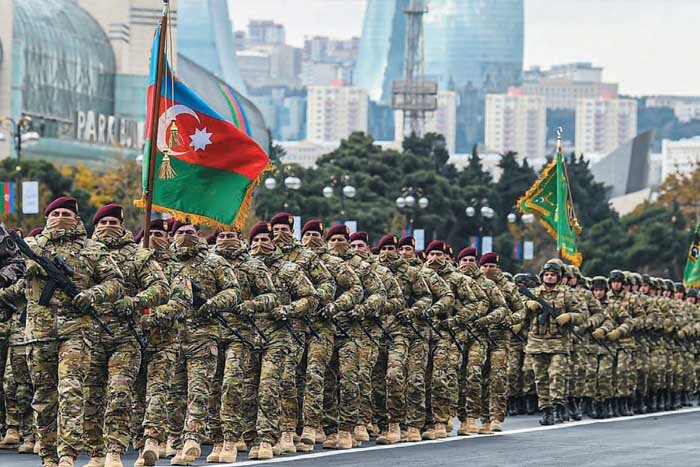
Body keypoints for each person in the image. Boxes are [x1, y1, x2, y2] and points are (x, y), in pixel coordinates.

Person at [23, 197, 123, 467]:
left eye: (66, 214)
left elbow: (115, 282)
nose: (60, 218)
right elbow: (12, 267)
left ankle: (67, 454)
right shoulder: (32, 246)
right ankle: (48, 455)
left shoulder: (93, 249)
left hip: (77, 331)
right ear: (46, 218)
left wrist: (92, 294)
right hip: (39, 332)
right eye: (55, 214)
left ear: (77, 219)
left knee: (71, 390)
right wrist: (30, 260)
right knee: (44, 397)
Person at [82, 204, 170, 467]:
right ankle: (95, 452)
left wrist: (135, 301)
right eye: (103, 222)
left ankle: (114, 451)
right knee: (90, 397)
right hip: (88, 336)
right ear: (95, 226)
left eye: (113, 222)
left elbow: (160, 287)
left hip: (125, 336)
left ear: (122, 225)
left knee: (119, 394)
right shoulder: (84, 253)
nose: (108, 226)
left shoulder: (138, 256)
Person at [169, 221, 240, 465]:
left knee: (198, 391)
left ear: (198, 235)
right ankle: (177, 443)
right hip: (170, 338)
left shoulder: (214, 262)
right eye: (180, 232)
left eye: (189, 232)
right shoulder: (165, 262)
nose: (185, 236)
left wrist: (212, 304)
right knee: (174, 394)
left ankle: (192, 438)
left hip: (203, 334)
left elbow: (232, 291)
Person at [250, 221, 319, 460]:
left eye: (265, 239)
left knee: (279, 383)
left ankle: (283, 432)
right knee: (247, 387)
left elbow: (310, 298)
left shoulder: (289, 269)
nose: (260, 244)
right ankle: (250, 435)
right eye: (256, 240)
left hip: (282, 334)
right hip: (247, 335)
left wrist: (288, 310)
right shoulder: (243, 267)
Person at [516, 259, 586, 426]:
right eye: (546, 274)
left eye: (553, 275)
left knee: (556, 375)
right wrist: (527, 305)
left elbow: (582, 314)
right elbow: (519, 312)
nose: (549, 277)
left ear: (558, 277)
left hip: (559, 343)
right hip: (537, 342)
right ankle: (546, 410)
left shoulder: (567, 294)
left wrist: (569, 316)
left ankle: (557, 406)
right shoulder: (534, 293)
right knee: (540, 378)